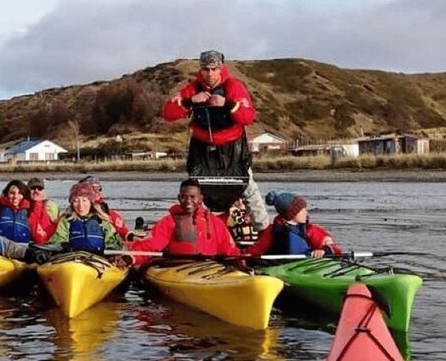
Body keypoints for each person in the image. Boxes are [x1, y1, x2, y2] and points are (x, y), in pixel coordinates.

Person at [161, 49, 270, 231]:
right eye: (205, 69)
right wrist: (190, 102)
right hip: (202, 151)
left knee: (249, 189)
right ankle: (197, 233)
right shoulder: (192, 88)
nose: (210, 73)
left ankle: (266, 233)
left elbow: (248, 116)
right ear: (200, 70)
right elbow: (168, 113)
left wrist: (227, 104)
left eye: (213, 69)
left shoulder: (234, 87)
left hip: (232, 151)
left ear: (221, 69)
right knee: (196, 193)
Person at [127, 179, 240, 266]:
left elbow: (229, 248)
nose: (188, 201)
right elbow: (150, 245)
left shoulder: (215, 223)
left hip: (210, 267)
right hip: (179, 267)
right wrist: (132, 258)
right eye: (184, 197)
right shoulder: (170, 221)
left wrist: (240, 264)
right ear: (178, 198)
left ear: (200, 199)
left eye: (192, 197)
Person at [248, 191, 342, 258]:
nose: (306, 212)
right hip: (280, 267)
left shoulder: (311, 230)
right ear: (292, 214)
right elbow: (255, 251)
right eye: (302, 210)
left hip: (308, 266)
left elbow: (334, 248)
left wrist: (324, 251)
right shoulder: (271, 231)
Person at [48, 182, 124, 254]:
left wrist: (111, 249)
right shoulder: (66, 221)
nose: (81, 205)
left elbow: (113, 241)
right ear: (72, 204)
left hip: (98, 258)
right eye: (76, 201)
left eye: (84, 200)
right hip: (73, 258)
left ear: (90, 202)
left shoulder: (102, 221)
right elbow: (58, 240)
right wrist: (63, 246)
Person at [76, 174, 132, 241]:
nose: (97, 192)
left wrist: (134, 238)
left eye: (99, 189)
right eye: (92, 189)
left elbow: (125, 233)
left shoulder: (111, 215)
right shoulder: (71, 216)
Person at [27, 177, 59, 244]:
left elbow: (56, 227)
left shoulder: (51, 206)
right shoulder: (23, 207)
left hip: (47, 243)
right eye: (33, 188)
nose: (36, 191)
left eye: (39, 189)